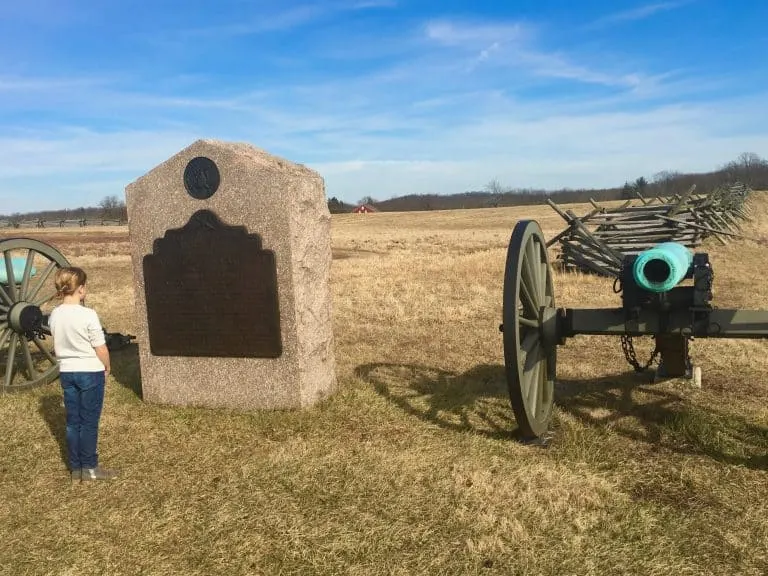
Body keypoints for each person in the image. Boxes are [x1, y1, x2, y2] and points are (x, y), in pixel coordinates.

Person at [49, 266, 118, 482]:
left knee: (73, 422)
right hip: (90, 371)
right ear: (80, 289)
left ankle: (76, 468)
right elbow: (101, 347)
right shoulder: (88, 314)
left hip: (67, 373)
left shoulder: (54, 314)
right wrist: (107, 365)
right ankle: (90, 467)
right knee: (89, 422)